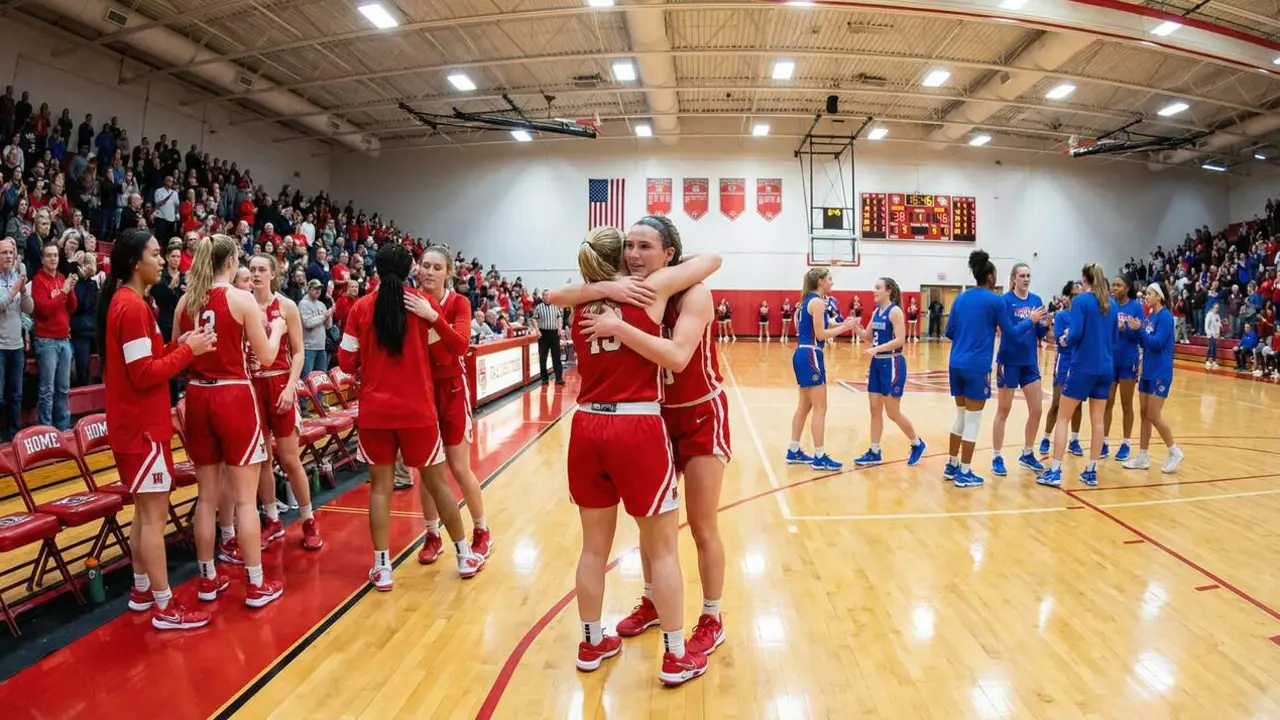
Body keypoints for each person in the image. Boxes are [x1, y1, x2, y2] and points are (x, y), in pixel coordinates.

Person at [547, 215, 729, 659]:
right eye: (628, 246)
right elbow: (556, 295)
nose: (633, 254)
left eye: (645, 247)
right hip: (652, 416)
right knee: (653, 530)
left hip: (699, 413)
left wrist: (618, 325)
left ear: (669, 254)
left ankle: (712, 615)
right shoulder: (628, 289)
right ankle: (653, 601)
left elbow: (680, 357)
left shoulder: (689, 290)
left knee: (701, 526)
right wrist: (604, 288)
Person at [338, 243, 485, 590]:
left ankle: (383, 568)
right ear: (410, 271)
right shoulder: (423, 306)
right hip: (419, 410)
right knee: (438, 484)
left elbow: (345, 363)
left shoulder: (360, 307)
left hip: (375, 413)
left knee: (380, 491)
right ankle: (464, 554)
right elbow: (445, 353)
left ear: (375, 270)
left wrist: (368, 365)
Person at [99, 229, 217, 630]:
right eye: (155, 253)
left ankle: (141, 589)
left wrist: (176, 344)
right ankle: (165, 606)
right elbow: (144, 375)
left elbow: (145, 362)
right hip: (143, 429)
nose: (163, 259)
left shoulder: (129, 303)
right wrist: (189, 352)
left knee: (144, 513)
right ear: (136, 263)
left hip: (136, 426)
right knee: (153, 518)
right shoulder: (131, 308)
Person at [176, 234, 287, 608]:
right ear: (230, 262)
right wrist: (278, 330)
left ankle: (207, 579)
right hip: (233, 393)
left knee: (206, 498)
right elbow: (268, 357)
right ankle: (255, 584)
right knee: (243, 499)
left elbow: (179, 350)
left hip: (196, 394)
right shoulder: (240, 299)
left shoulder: (185, 301)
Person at [405, 246, 491, 564]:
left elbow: (460, 345)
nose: (428, 272)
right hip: (421, 391)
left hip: (452, 388)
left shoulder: (458, 303)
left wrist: (432, 318)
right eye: (425, 265)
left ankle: (481, 529)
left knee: (458, 466)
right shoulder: (409, 300)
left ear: (448, 273)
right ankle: (431, 534)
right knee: (428, 470)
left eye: (436, 267)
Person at [943, 251, 1044, 488]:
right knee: (973, 420)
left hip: (955, 363)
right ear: (990, 277)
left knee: (960, 416)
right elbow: (1011, 332)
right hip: (976, 366)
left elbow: (948, 332)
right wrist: (1031, 320)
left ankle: (951, 464)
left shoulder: (960, 298)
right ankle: (965, 472)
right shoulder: (996, 301)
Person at [247, 254, 322, 551]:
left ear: (273, 274)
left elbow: (299, 352)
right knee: (262, 460)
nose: (256, 274)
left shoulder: (287, 306)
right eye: (252, 269)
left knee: (290, 459)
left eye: (262, 269)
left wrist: (292, 386)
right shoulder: (244, 305)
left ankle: (308, 519)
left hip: (280, 380)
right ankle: (273, 519)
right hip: (253, 384)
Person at [1036, 262, 1117, 488]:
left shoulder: (1081, 301)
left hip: (1083, 366)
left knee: (1063, 416)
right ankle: (1091, 471)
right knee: (1098, 420)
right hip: (1106, 367)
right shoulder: (1111, 304)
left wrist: (1065, 339)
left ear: (1084, 279)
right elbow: (1113, 337)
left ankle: (1054, 470)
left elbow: (1077, 332)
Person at [786, 267, 858, 470]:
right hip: (811, 354)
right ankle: (819, 455)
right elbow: (820, 334)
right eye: (829, 279)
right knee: (820, 408)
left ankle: (793, 449)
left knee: (805, 406)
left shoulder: (805, 303)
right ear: (820, 281)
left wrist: (841, 323)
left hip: (802, 353)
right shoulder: (817, 302)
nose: (832, 283)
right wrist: (845, 328)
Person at [851, 277, 926, 466]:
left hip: (892, 363)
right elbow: (867, 337)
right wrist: (854, 326)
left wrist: (876, 349)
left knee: (892, 412)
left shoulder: (896, 312)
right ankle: (874, 451)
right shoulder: (877, 311)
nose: (873, 290)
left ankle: (917, 443)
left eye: (878, 287)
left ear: (888, 291)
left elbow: (900, 340)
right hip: (876, 364)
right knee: (874, 409)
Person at [990, 262, 1049, 476]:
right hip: (1009, 361)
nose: (1025, 279)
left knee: (1037, 410)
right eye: (1022, 275)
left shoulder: (1036, 300)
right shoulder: (1004, 301)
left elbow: (1040, 333)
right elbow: (1011, 332)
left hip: (1029, 362)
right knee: (1004, 410)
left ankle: (1027, 453)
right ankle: (996, 456)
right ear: (1014, 278)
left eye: (1028, 275)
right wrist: (1031, 320)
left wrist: (1044, 325)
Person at [1121, 281, 1184, 473]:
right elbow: (1145, 342)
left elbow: (1156, 344)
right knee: (1144, 414)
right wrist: (1135, 329)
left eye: (1149, 293)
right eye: (1146, 293)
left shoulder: (1165, 317)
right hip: (1148, 371)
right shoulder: (1150, 316)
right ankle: (1142, 456)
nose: (1146, 296)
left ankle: (1174, 451)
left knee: (1154, 415)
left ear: (1159, 296)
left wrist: (1139, 330)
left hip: (1160, 372)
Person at [32, 242, 77, 430]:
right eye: (49, 255)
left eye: (55, 256)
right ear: (42, 259)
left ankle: (63, 429)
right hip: (46, 341)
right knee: (47, 390)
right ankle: (46, 431)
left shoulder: (61, 279)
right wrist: (64, 292)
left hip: (64, 340)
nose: (53, 259)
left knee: (63, 389)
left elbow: (72, 308)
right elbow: (44, 310)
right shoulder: (38, 281)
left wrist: (70, 291)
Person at [1039, 281, 1084, 457]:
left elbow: (1077, 339)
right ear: (1069, 297)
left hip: (1080, 362)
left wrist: (1071, 335)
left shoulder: (1085, 317)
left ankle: (1074, 440)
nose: (1078, 298)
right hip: (1064, 362)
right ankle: (1046, 437)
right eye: (1075, 295)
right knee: (1057, 402)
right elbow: (1060, 339)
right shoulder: (1062, 315)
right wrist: (1072, 336)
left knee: (1078, 405)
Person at [1102, 274, 1142, 461]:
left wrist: (1125, 328)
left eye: (1119, 285)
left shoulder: (1136, 307)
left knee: (1126, 404)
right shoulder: (1109, 305)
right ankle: (1103, 441)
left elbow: (1139, 335)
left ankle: (1126, 443)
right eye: (1114, 284)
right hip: (1110, 360)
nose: (1115, 288)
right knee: (1106, 402)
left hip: (1128, 360)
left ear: (1127, 288)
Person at [1205, 303, 1221, 369]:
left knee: (1214, 347)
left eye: (1218, 308)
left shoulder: (1217, 316)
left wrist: (1219, 332)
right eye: (1216, 307)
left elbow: (1219, 324)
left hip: (1216, 334)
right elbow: (1206, 325)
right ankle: (1209, 361)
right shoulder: (1209, 315)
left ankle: (1213, 361)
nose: (1217, 309)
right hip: (1211, 333)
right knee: (1211, 347)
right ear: (1213, 307)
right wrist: (1208, 332)